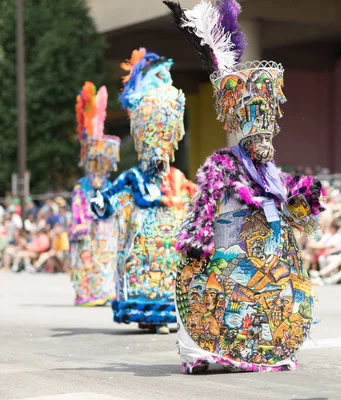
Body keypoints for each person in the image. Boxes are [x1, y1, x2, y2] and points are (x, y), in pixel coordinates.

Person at [165, 0, 325, 373]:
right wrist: (200, 247)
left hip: (268, 259)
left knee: (272, 298)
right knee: (222, 297)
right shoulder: (221, 165)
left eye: (268, 131)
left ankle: (268, 348)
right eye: (257, 134)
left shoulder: (271, 173)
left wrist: (305, 196)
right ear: (241, 134)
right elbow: (202, 213)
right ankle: (206, 350)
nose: (264, 140)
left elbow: (296, 205)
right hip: (229, 257)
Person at [90, 48, 195, 333]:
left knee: (167, 272)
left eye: (162, 152)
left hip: (168, 246)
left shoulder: (177, 177)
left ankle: (165, 313)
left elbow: (194, 196)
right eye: (152, 151)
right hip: (141, 245)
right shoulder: (133, 176)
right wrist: (101, 201)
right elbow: (110, 196)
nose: (158, 157)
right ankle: (147, 315)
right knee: (143, 269)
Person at [69, 82, 121, 306]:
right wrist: (81, 223)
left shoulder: (110, 185)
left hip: (105, 231)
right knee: (88, 261)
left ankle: (105, 291)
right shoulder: (81, 187)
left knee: (105, 261)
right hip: (88, 231)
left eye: (103, 167)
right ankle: (87, 293)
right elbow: (78, 207)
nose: (99, 172)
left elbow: (116, 203)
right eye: (95, 166)